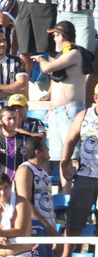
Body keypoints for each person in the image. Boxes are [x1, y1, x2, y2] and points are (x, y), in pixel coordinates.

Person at [32, 21, 88, 193]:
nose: (54, 39)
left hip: (71, 110)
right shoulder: (62, 55)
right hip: (57, 111)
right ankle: (62, 196)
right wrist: (50, 107)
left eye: (55, 35)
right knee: (58, 158)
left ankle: (73, 195)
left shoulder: (74, 53)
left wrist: (41, 59)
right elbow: (57, 83)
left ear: (61, 35)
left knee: (71, 157)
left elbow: (48, 68)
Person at [57, 89, 98, 257]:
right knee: (74, 219)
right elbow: (70, 140)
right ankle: (66, 256)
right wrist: (65, 162)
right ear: (95, 97)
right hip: (86, 175)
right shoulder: (84, 115)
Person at [14, 136, 57, 241]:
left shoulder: (43, 170)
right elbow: (25, 203)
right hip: (33, 228)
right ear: (38, 152)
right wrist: (47, 226)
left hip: (47, 226)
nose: (48, 149)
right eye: (45, 146)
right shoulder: (25, 170)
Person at [0, 107, 31, 180]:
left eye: (14, 118)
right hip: (0, 183)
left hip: (21, 183)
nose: (13, 121)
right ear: (0, 121)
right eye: (9, 119)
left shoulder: (26, 139)